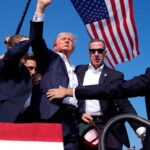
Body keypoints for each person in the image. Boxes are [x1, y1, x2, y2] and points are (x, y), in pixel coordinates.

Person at [47, 39, 145, 150]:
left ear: (105, 53)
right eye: (93, 51)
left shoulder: (115, 75)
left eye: (99, 50)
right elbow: (69, 98)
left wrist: (141, 131)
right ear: (88, 53)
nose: (96, 54)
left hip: (110, 128)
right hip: (83, 127)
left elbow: (124, 104)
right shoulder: (78, 71)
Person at [30, 0, 79, 149]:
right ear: (54, 45)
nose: (67, 40)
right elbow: (36, 40)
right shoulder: (50, 58)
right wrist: (40, 8)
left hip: (73, 121)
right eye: (63, 39)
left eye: (70, 40)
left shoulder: (76, 69)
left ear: (73, 48)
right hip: (52, 115)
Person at [0, 34, 32, 122]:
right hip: (6, 113)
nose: (25, 53)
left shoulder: (24, 70)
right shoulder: (6, 63)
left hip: (21, 116)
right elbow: (15, 53)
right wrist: (29, 39)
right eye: (23, 48)